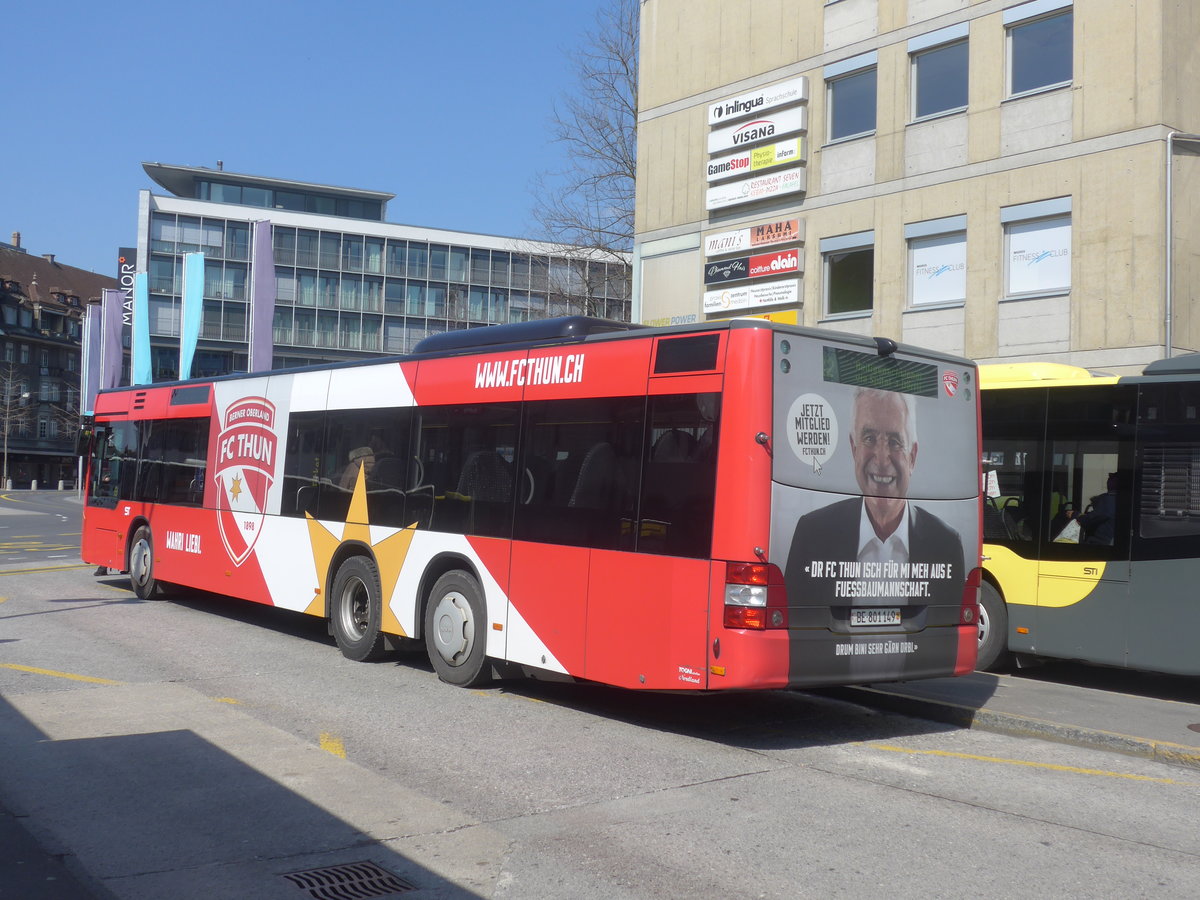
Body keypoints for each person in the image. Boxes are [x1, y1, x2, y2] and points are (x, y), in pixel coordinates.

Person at [784, 387, 965, 608]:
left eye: (895, 442)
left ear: (912, 457)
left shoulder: (946, 544)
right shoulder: (812, 534)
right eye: (869, 438)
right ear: (854, 449)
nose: (881, 459)